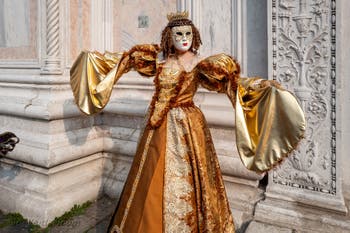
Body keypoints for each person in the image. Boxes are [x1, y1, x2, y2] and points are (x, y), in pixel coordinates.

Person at [70, 11, 305, 233]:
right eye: (178, 34)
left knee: (193, 180)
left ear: (194, 36)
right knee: (150, 174)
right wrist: (96, 61)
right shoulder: (158, 60)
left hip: (187, 126)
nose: (183, 38)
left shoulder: (201, 64)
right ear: (168, 38)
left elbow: (232, 85)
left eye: (188, 34)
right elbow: (124, 60)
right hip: (156, 129)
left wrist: (261, 90)